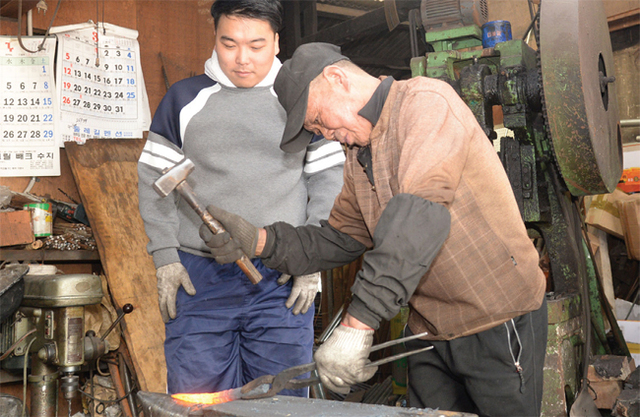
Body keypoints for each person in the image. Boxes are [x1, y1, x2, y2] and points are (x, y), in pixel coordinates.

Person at [198, 42, 548, 416]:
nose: (325, 134)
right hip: (430, 330)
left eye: (318, 119)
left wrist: (357, 325)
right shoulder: (358, 155)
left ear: (337, 78)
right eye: (315, 130)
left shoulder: (425, 103)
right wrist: (259, 240)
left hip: (494, 319)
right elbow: (338, 238)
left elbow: (419, 216)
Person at [137, 4, 345, 395]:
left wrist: (311, 260)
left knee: (282, 399)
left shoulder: (303, 100)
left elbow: (329, 181)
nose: (242, 59)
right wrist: (165, 257)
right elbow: (153, 179)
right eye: (228, 44)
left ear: (276, 42)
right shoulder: (184, 99)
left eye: (256, 45)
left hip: (282, 278)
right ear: (214, 38)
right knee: (199, 400)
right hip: (200, 278)